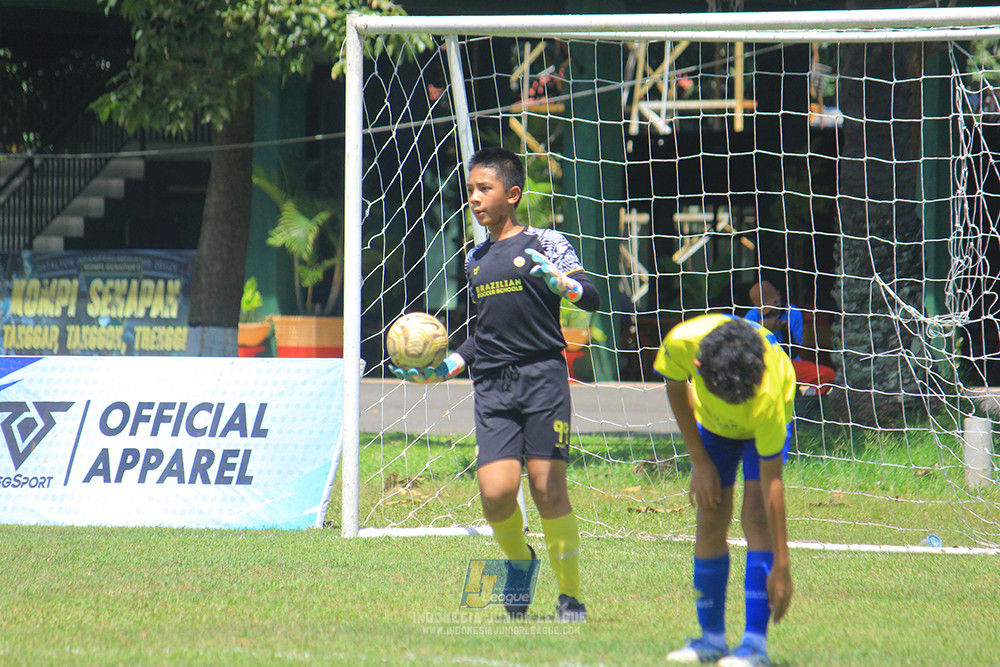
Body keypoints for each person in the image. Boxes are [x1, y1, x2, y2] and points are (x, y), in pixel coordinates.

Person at [391, 147, 600, 621]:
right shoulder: (474, 258)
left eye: (483, 189)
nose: (475, 199)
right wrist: (445, 367)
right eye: (470, 190)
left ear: (512, 194)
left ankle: (570, 596)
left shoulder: (546, 242)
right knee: (496, 493)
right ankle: (520, 563)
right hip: (493, 386)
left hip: (543, 379)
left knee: (548, 489)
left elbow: (592, 294)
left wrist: (564, 284)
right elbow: (482, 333)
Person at [656, 315, 794, 667]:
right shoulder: (680, 343)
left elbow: (772, 486)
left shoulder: (767, 390)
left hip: (761, 424)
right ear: (698, 368)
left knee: (755, 514)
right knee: (710, 514)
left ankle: (753, 646)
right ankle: (711, 639)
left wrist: (783, 564)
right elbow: (674, 388)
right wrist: (699, 461)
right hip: (714, 430)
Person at [745, 280, 836, 395]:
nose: (773, 309)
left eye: (774, 303)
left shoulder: (794, 313)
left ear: (778, 294)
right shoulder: (752, 316)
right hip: (763, 366)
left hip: (790, 363)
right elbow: (744, 344)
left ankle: (806, 402)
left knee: (827, 375)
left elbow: (800, 346)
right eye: (767, 309)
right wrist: (762, 326)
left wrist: (786, 331)